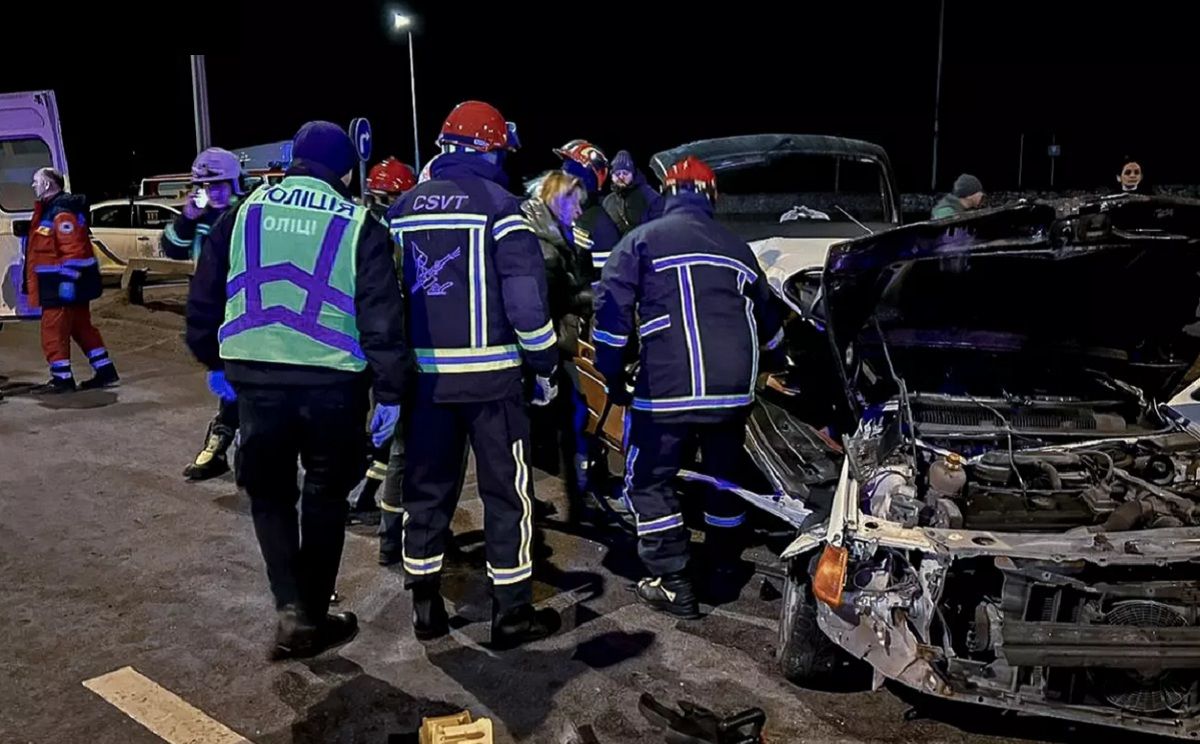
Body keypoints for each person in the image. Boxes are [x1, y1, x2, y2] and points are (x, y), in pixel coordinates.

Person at [186, 121, 409, 660]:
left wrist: (212, 359)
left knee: (269, 495)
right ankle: (311, 611)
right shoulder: (360, 222)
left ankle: (289, 608)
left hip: (256, 380)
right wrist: (392, 391)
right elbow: (381, 316)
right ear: (346, 170)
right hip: (334, 381)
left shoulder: (243, 212)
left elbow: (205, 292)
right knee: (326, 496)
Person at [387, 100, 561, 649]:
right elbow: (527, 302)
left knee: (427, 491)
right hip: (493, 385)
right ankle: (511, 614)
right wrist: (545, 365)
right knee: (508, 494)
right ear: (489, 148)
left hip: (426, 383)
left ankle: (426, 607)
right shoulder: (502, 206)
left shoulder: (402, 208)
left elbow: (384, 297)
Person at [592, 155, 783, 618]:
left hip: (669, 389)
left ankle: (672, 581)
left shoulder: (640, 242)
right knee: (723, 476)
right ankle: (722, 564)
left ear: (667, 192)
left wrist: (614, 379)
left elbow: (611, 323)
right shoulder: (738, 248)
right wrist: (773, 366)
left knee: (649, 480)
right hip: (734, 393)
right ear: (711, 197)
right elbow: (772, 326)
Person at [163, 148, 248, 481]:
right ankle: (226, 439)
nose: (212, 192)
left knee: (241, 380)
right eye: (205, 186)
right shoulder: (199, 218)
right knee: (230, 382)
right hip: (213, 309)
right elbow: (172, 248)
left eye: (218, 186)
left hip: (242, 309)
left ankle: (225, 439)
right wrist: (187, 218)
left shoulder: (246, 215)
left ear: (234, 183)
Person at [346, 156, 418, 526]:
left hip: (353, 345)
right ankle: (364, 498)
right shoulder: (385, 238)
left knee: (373, 429)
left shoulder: (355, 229)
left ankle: (360, 495)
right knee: (387, 430)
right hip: (381, 345)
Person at [522, 171, 594, 509]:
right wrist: (588, 297)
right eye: (575, 205)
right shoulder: (542, 244)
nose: (580, 213)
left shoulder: (561, 235)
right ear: (557, 200)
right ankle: (535, 499)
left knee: (570, 416)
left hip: (555, 341)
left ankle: (577, 495)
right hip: (538, 345)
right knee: (528, 427)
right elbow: (552, 297)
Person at [24, 167, 115, 393]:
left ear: (47, 185)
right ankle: (105, 370)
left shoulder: (60, 212)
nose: (33, 186)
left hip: (60, 285)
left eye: (36, 182)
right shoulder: (53, 209)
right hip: (66, 285)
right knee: (81, 328)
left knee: (53, 331)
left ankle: (62, 379)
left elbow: (73, 249)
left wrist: (67, 281)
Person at [554, 140, 621, 276]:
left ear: (586, 181)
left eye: (570, 173)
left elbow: (608, 282)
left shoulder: (601, 227)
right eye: (564, 171)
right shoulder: (559, 211)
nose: (562, 179)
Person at [602, 150, 661, 235]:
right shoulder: (608, 202)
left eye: (625, 173)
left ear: (633, 174)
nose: (621, 176)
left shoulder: (648, 194)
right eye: (617, 173)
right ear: (612, 177)